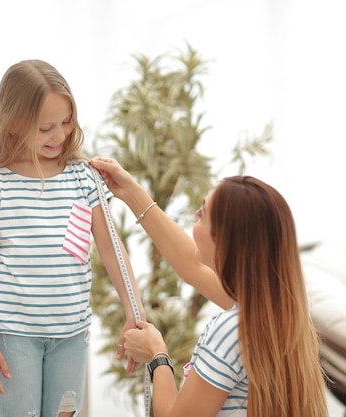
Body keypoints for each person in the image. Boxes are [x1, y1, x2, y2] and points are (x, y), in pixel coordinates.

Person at [0, 60, 145, 417]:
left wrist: (133, 312)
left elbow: (111, 248)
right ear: (13, 124)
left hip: (72, 333)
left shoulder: (83, 177)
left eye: (66, 122)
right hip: (14, 335)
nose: (59, 135)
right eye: (45, 128)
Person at [88, 156, 329, 417]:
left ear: (225, 242)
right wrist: (131, 192)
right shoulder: (280, 313)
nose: (195, 215)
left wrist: (157, 356)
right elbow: (192, 267)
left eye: (203, 214)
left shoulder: (230, 331)